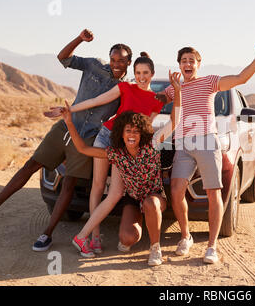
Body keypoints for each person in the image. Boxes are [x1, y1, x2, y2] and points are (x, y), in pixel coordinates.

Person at [0, 29, 132, 253]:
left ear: (129, 62)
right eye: (113, 59)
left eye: (121, 60)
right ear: (109, 58)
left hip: (88, 138)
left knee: (69, 183)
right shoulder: (93, 65)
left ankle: (47, 234)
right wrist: (80, 39)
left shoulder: (126, 88)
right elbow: (63, 58)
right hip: (64, 127)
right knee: (31, 165)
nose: (116, 63)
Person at [157, 39, 255, 264]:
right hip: (183, 144)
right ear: (179, 65)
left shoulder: (210, 82)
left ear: (199, 64)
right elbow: (153, 100)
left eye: (191, 60)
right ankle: (185, 236)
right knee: (177, 190)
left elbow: (240, 79)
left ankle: (212, 246)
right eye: (183, 61)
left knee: (213, 193)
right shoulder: (174, 87)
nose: (187, 64)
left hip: (208, 142)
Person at [44, 52, 164, 254]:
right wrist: (69, 111)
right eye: (138, 72)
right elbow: (97, 100)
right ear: (134, 73)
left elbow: (146, 128)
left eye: (145, 73)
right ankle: (94, 237)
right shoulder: (125, 87)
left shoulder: (156, 99)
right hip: (107, 135)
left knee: (115, 193)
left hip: (124, 145)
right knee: (98, 186)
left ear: (152, 73)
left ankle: (83, 236)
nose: (141, 77)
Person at [60, 70, 181, 266]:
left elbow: (174, 121)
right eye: (127, 132)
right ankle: (84, 237)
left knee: (150, 203)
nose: (132, 135)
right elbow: (83, 148)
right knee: (126, 237)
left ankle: (155, 248)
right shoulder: (117, 153)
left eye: (136, 131)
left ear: (143, 133)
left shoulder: (152, 144)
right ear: (121, 135)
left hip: (153, 197)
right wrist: (69, 121)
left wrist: (177, 91)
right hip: (133, 200)